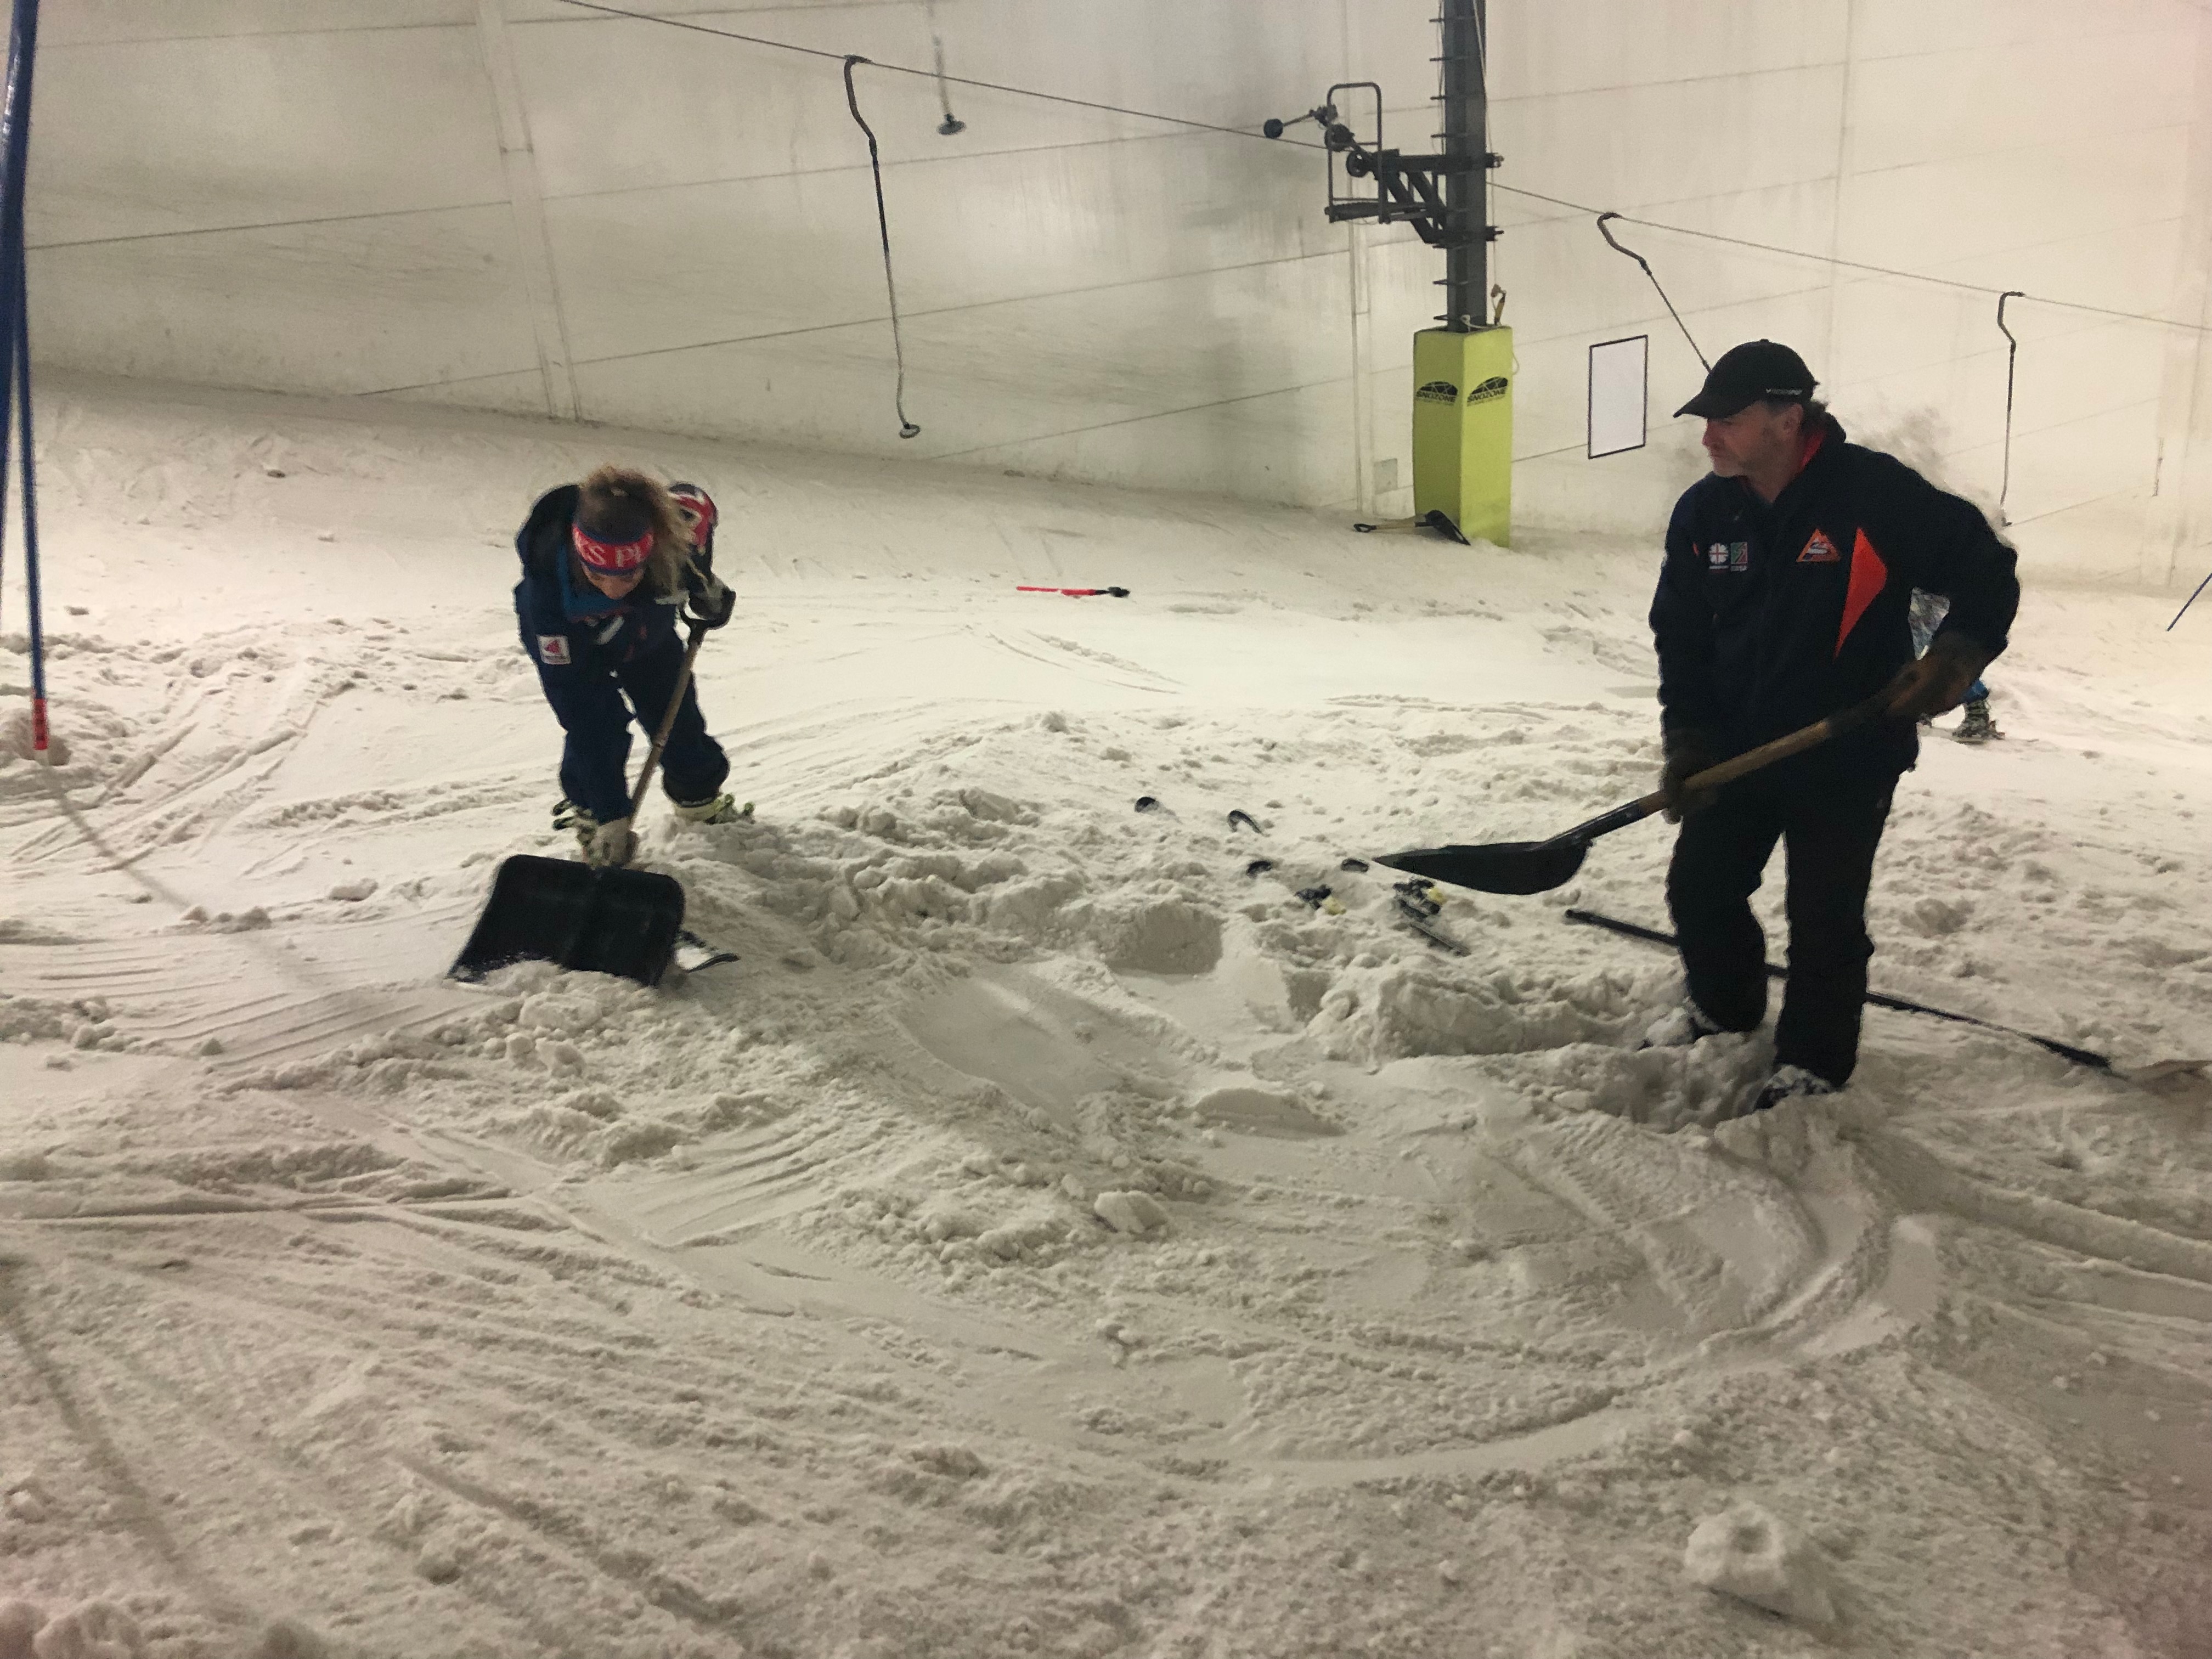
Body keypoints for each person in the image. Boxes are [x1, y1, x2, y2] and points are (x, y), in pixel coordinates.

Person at [1644, 341, 2020, 1113]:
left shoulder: (1872, 495)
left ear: (1787, 419)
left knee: (1824, 915)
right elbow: (1680, 637)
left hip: (1848, 748)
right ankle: (1724, 1007)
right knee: (1701, 889)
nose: (1708, 436)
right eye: (1706, 420)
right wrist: (1687, 736)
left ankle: (1814, 1060)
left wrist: (1954, 657)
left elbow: (1986, 567)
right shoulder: (1706, 513)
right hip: (1739, 750)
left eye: (1726, 420)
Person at [514, 464, 740, 868]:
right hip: (577, 650)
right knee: (597, 729)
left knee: (678, 719)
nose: (614, 588)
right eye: (598, 575)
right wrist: (612, 813)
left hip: (648, 641)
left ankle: (699, 801)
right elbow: (583, 714)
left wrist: (708, 594)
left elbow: (695, 533)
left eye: (630, 575)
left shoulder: (670, 541)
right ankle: (592, 817)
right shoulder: (545, 602)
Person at [1909, 589, 2000, 741]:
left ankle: (1975, 706)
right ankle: (1917, 703)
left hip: (1927, 591)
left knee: (1914, 644)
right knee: (1916, 644)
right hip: (1926, 592)